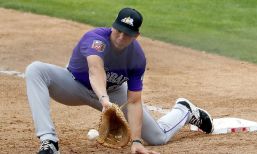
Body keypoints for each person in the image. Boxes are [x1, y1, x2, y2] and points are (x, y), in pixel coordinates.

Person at [25, 7, 214, 154]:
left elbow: (133, 100)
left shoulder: (137, 57)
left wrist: (137, 141)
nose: (121, 37)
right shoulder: (96, 39)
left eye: (128, 34)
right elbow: (95, 70)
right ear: (113, 26)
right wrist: (103, 100)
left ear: (136, 36)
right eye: (118, 31)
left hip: (116, 95)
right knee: (36, 70)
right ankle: (49, 141)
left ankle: (184, 110)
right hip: (74, 85)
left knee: (158, 137)